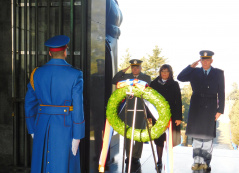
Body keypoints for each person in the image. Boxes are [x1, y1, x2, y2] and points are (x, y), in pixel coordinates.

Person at [24, 35, 85, 173]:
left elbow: (29, 103)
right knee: (64, 164)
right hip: (65, 125)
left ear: (50, 53)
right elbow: (78, 107)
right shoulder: (75, 74)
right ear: (65, 52)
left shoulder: (37, 73)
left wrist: (32, 129)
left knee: (42, 164)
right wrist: (77, 135)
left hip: (41, 124)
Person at [177, 50, 225, 172]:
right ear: (200, 61)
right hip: (196, 106)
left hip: (211, 106)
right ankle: (197, 161)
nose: (205, 62)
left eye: (207, 60)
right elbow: (180, 77)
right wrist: (190, 66)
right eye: (203, 60)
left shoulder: (218, 73)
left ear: (211, 61)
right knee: (197, 136)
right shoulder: (194, 71)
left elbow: (222, 92)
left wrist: (220, 110)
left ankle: (205, 162)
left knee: (207, 137)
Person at [112, 59, 151, 167]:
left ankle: (136, 156)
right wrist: (123, 71)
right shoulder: (126, 77)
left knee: (139, 134)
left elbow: (149, 95)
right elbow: (114, 80)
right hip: (128, 109)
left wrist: (148, 114)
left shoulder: (146, 78)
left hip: (140, 109)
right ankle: (129, 155)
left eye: (137, 67)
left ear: (140, 68)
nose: (135, 69)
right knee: (128, 134)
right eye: (133, 67)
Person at [150, 64, 182, 172]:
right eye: (162, 71)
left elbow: (178, 101)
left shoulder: (175, 84)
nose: (164, 73)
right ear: (160, 72)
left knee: (170, 138)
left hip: (171, 115)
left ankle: (169, 159)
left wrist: (178, 117)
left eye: (166, 71)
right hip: (157, 115)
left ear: (170, 73)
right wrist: (150, 116)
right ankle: (159, 160)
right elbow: (149, 101)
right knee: (159, 138)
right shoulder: (153, 84)